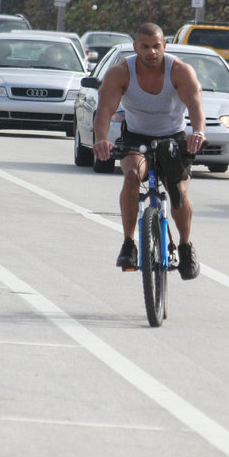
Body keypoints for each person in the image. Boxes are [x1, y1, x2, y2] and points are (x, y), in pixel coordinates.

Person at [93, 22, 206, 280]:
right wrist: (101, 139)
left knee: (176, 189)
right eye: (145, 47)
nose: (151, 52)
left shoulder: (180, 71)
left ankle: (186, 247)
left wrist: (198, 132)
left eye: (156, 46)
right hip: (136, 137)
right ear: (135, 48)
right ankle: (129, 243)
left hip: (173, 138)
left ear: (164, 45)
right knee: (132, 175)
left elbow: (195, 104)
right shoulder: (121, 73)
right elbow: (105, 111)